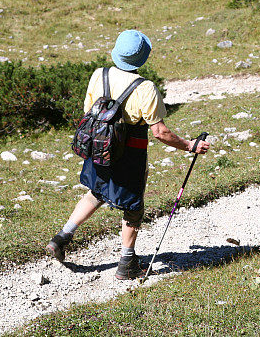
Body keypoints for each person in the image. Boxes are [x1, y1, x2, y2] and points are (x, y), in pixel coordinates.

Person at [46, 29, 210, 279]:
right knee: (132, 207)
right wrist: (190, 145)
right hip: (130, 154)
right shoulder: (145, 88)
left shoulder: (98, 74)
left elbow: (88, 110)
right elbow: (160, 132)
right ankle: (126, 263)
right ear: (142, 58)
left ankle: (62, 237)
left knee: (97, 192)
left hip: (98, 148)